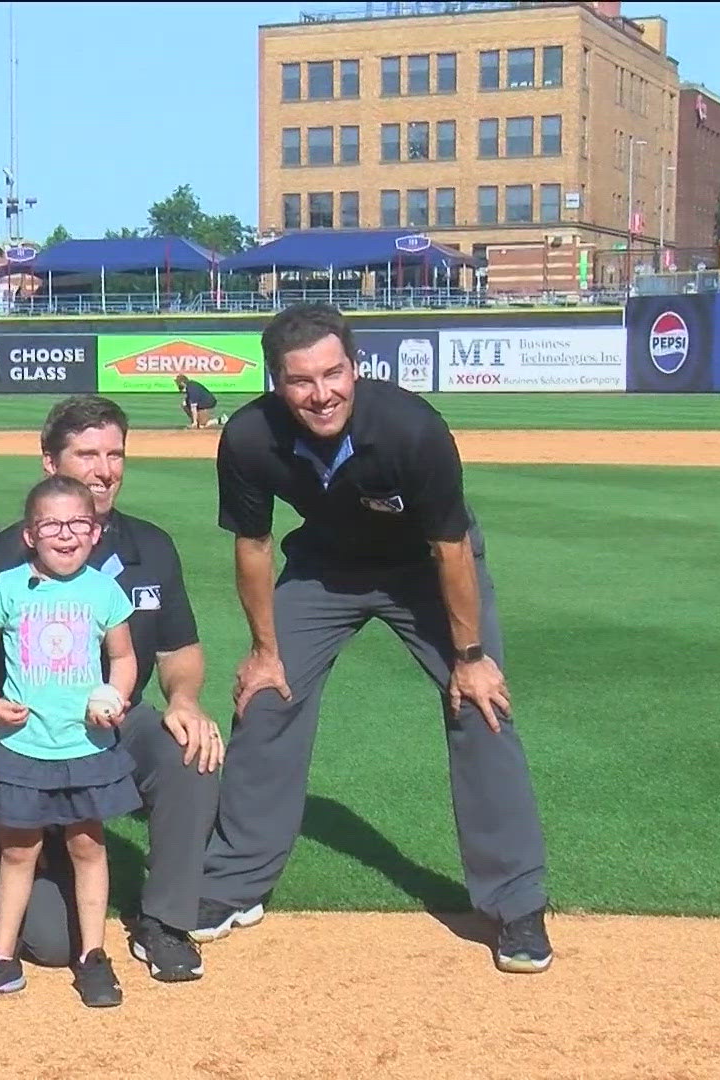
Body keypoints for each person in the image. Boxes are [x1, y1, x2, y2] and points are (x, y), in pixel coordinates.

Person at [196, 302, 553, 974]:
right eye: (302, 381)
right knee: (266, 699)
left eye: (334, 373)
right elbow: (252, 545)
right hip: (326, 570)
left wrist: (470, 658)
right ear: (276, 382)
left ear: (355, 368)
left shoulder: (410, 429)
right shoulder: (248, 438)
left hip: (425, 568)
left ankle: (516, 905)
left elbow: (451, 547)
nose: (322, 392)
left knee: (480, 704)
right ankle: (232, 883)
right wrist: (264, 650)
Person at [0, 395, 223, 984]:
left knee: (190, 752)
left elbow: (180, 650)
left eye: (115, 453)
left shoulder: (153, 547)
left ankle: (163, 920)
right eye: (86, 453)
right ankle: (1, 863)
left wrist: (186, 701)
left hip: (115, 723)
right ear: (50, 462)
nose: (105, 468)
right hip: (30, 733)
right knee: (51, 944)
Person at [0, 475, 141, 1008]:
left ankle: (94, 958)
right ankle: (2, 958)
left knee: (87, 845)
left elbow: (123, 657)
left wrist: (116, 696)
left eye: (78, 523)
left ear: (95, 531)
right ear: (31, 535)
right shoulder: (9, 585)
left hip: (86, 748)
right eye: (51, 525)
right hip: (24, 747)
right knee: (17, 852)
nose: (66, 535)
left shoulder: (103, 589)